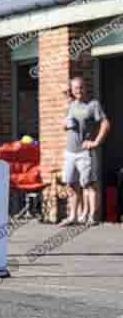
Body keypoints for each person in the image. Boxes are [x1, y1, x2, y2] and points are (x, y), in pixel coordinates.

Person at [60, 76, 111, 227]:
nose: (79, 90)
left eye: (81, 87)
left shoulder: (93, 105)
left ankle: (92, 217)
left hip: (84, 152)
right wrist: (65, 125)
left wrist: (96, 142)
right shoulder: (70, 105)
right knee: (70, 184)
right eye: (76, 88)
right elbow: (64, 125)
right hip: (70, 152)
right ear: (72, 90)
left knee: (89, 184)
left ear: (85, 87)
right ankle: (73, 216)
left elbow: (105, 123)